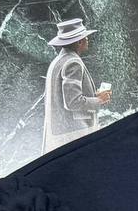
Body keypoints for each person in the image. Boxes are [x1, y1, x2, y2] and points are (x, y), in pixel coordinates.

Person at [41, 18, 111, 154]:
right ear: (79, 42)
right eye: (85, 37)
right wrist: (99, 100)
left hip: (60, 133)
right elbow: (73, 102)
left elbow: (65, 97)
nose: (87, 39)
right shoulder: (73, 62)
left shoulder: (58, 61)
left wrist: (94, 96)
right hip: (73, 135)